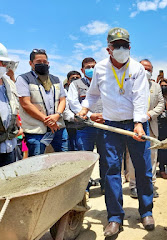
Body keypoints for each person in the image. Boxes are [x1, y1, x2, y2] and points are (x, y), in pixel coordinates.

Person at [78, 27, 154, 237]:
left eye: (124, 45)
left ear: (130, 47)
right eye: (116, 46)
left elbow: (141, 97)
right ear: (108, 48)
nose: (121, 49)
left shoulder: (137, 68)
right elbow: (93, 95)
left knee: (142, 168)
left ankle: (146, 211)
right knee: (111, 170)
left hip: (135, 124)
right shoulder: (101, 69)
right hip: (111, 127)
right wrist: (85, 108)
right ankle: (114, 217)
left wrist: (139, 122)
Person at [15, 49, 68, 156]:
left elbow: (62, 99)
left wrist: (57, 115)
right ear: (31, 63)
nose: (42, 64)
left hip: (58, 127)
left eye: (45, 62)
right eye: (39, 62)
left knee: (64, 158)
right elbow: (26, 104)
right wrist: (47, 120)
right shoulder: (23, 79)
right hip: (36, 130)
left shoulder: (56, 79)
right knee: (36, 162)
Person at [127, 59, 164, 198]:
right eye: (143, 68)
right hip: (135, 125)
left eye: (149, 69)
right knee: (133, 157)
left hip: (151, 124)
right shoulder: (130, 84)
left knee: (152, 157)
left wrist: (149, 115)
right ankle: (134, 185)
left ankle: (150, 184)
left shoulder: (155, 86)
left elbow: (161, 104)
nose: (146, 71)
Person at [67, 58, 105, 193]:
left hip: (104, 126)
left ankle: (106, 187)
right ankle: (84, 190)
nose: (91, 69)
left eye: (94, 66)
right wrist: (90, 116)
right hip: (85, 128)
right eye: (88, 67)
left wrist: (104, 115)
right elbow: (73, 103)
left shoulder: (104, 82)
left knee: (106, 158)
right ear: (82, 70)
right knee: (84, 160)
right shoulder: (75, 84)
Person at [0, 43, 21, 166]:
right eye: (1, 62)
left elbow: (14, 107)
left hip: (9, 146)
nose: (3, 66)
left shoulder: (9, 83)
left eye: (5, 63)